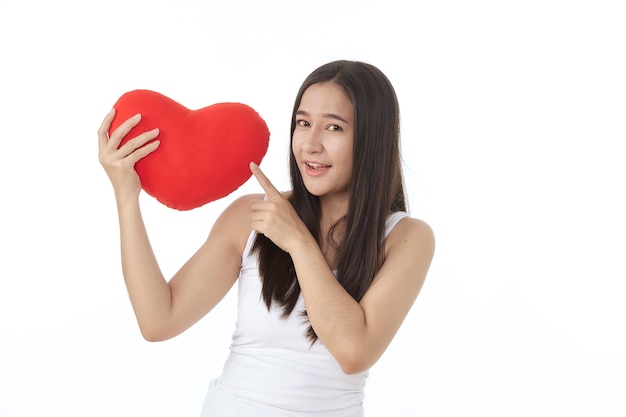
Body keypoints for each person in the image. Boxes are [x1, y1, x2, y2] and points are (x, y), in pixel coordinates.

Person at [98, 60, 435, 417]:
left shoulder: (406, 238)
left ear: (372, 138)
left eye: (334, 127)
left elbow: (354, 352)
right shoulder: (251, 216)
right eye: (303, 123)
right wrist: (126, 197)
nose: (310, 144)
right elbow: (158, 321)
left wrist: (299, 242)